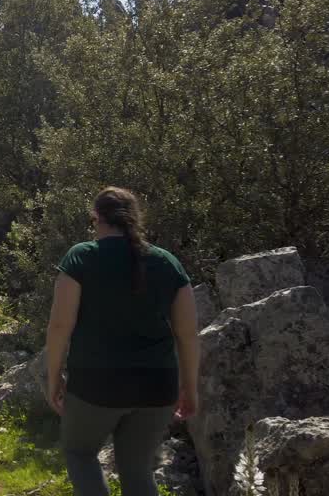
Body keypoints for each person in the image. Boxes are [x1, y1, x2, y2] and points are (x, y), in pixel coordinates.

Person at [43, 186, 200, 496]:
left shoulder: (81, 257)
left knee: (80, 453)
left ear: (97, 219)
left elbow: (60, 326)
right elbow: (188, 334)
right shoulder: (168, 262)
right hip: (157, 388)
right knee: (138, 471)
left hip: (95, 386)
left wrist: (53, 378)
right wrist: (190, 388)